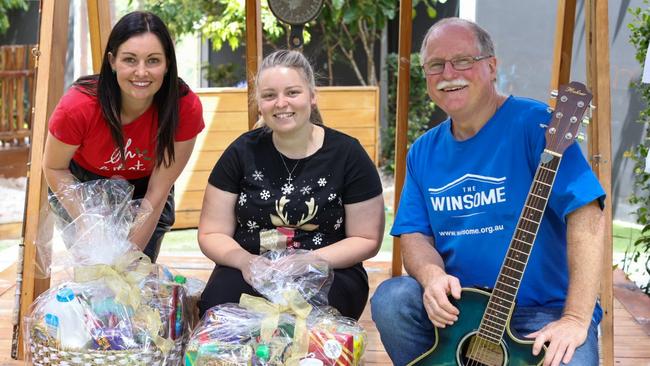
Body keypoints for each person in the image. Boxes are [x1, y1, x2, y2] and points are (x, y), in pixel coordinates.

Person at [370, 17, 605, 366]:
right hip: (461, 317)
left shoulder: (537, 125)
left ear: (492, 66)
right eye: (436, 65)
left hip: (543, 315)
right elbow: (415, 235)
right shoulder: (422, 151)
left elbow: (587, 214)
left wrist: (574, 319)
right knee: (392, 299)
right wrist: (432, 276)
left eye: (463, 60)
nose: (449, 73)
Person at [197, 50, 385, 320]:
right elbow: (211, 233)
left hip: (330, 269)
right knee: (217, 314)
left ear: (312, 96)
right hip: (251, 269)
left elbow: (367, 239)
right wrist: (245, 261)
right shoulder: (241, 152)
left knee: (312, 331)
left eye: (292, 92)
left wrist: (311, 260)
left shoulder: (348, 154)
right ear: (259, 103)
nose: (281, 103)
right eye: (269, 95)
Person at [43, 11, 204, 263]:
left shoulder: (185, 108)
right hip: (82, 183)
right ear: (112, 61)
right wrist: (86, 222)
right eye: (130, 60)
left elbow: (157, 192)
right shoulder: (77, 106)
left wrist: (128, 258)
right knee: (93, 270)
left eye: (153, 60)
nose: (141, 72)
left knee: (133, 272)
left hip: (145, 188)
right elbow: (54, 166)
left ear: (168, 63)